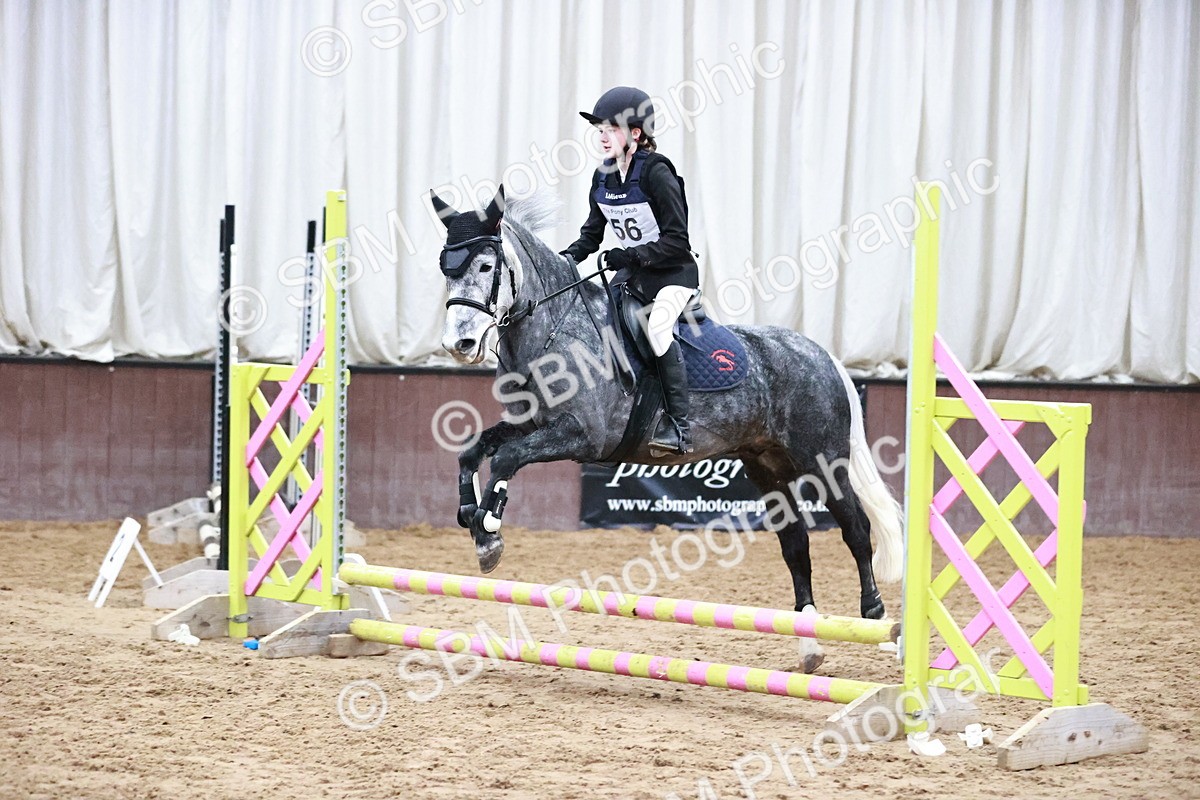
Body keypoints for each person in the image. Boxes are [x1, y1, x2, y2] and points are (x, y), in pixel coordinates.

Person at [561, 86, 699, 455]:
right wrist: (566, 258)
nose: (603, 136)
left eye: (612, 129)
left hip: (673, 276)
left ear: (636, 133)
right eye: (599, 129)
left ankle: (679, 426)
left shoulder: (657, 173)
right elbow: (591, 235)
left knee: (656, 328)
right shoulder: (603, 176)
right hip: (633, 280)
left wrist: (631, 256)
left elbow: (678, 241)